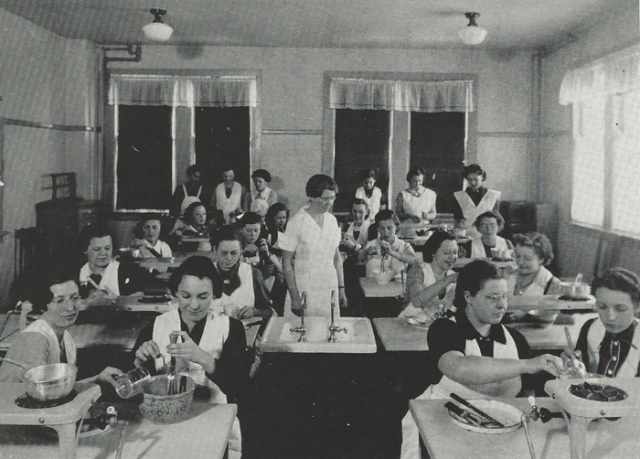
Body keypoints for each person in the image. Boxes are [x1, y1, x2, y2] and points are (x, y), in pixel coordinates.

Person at [400, 260, 563, 459]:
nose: (502, 305)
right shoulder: (445, 329)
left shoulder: (516, 340)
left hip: (499, 429)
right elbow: (459, 368)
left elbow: (526, 397)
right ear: (468, 297)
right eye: (492, 297)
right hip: (442, 422)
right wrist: (527, 365)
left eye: (505, 296)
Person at [132, 255, 248, 459]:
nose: (194, 305)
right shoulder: (156, 326)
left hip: (213, 418)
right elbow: (136, 385)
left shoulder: (231, 328)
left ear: (215, 295)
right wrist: (139, 361)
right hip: (165, 422)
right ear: (175, 291)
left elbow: (239, 388)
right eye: (186, 295)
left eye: (203, 297)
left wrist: (203, 358)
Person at [0, 271, 124, 386]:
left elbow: (58, 388)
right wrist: (95, 380)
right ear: (43, 305)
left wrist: (97, 379)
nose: (70, 307)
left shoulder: (65, 337)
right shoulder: (35, 339)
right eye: (59, 301)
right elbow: (43, 392)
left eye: (74, 298)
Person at [280, 174, 346, 317]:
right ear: (312, 197)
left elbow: (336, 259)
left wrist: (341, 288)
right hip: (304, 288)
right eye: (325, 198)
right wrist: (294, 297)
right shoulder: (296, 222)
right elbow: (286, 263)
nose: (329, 203)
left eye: (332, 198)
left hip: (329, 286)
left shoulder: (332, 221)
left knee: (330, 331)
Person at [574, 268, 640, 377]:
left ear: (637, 307)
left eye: (620, 309)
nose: (610, 317)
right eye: (602, 307)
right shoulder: (590, 328)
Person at [209, 225, 274, 322]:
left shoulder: (253, 273)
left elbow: (269, 311)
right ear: (215, 250)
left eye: (234, 253)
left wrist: (254, 311)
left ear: (241, 251)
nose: (229, 258)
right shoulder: (204, 273)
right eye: (224, 253)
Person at [399, 231, 459, 322]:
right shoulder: (418, 271)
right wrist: (447, 280)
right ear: (433, 252)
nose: (452, 257)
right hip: (408, 323)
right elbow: (416, 301)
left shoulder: (453, 275)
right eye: (447, 253)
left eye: (455, 252)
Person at [78, 225, 148, 298]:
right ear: (85, 250)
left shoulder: (128, 272)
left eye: (107, 248)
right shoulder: (77, 273)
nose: (103, 253)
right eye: (97, 249)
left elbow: (137, 303)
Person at [505, 232, 562, 322]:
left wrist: (527, 314)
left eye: (527, 258)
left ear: (541, 259)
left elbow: (557, 316)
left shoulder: (552, 283)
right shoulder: (508, 275)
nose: (520, 262)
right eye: (518, 256)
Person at [359, 210, 419, 278]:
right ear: (377, 228)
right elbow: (355, 262)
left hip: (397, 286)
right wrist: (365, 253)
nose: (385, 232)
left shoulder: (404, 245)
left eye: (389, 228)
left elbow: (415, 262)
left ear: (396, 227)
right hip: (373, 286)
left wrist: (393, 253)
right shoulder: (370, 245)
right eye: (382, 228)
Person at [453, 164, 501, 238]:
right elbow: (457, 219)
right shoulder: (459, 196)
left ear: (482, 177)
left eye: (476, 179)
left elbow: (497, 219)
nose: (473, 183)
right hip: (467, 235)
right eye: (470, 179)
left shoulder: (493, 195)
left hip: (487, 234)